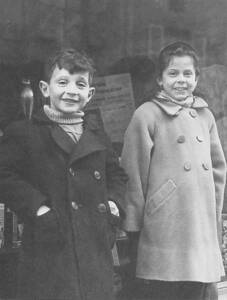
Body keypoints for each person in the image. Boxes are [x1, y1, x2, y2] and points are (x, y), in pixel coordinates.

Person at [0, 48, 128, 300]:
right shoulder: (25, 133)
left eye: (80, 84)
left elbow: (117, 175)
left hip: (94, 247)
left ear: (89, 94)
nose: (71, 90)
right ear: (45, 89)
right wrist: (39, 209)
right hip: (49, 248)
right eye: (62, 82)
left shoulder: (96, 133)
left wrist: (114, 205)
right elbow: (4, 174)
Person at [120, 41, 226, 300]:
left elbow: (218, 171)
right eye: (173, 73)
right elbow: (133, 173)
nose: (181, 80)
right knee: (164, 288)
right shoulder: (146, 115)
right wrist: (132, 227)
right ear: (159, 79)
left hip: (199, 224)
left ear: (197, 77)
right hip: (163, 226)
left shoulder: (205, 116)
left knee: (197, 287)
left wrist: (215, 217)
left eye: (187, 74)